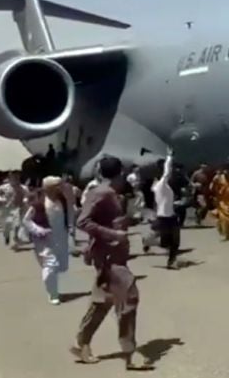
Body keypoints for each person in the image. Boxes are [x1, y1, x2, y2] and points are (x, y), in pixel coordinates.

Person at [71, 156, 151, 370]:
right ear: (121, 173)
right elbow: (83, 221)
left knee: (103, 301)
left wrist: (130, 221)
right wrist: (112, 233)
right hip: (108, 256)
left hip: (112, 254)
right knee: (129, 296)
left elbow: (106, 219)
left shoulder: (111, 194)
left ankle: (82, 343)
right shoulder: (101, 193)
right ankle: (130, 354)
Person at [22, 176, 73, 305]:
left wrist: (71, 227)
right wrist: (39, 230)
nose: (60, 188)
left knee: (61, 266)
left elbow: (70, 213)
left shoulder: (62, 200)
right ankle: (53, 294)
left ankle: (53, 289)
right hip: (45, 240)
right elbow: (26, 221)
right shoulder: (39, 204)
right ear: (49, 188)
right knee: (50, 266)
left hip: (61, 238)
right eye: (57, 186)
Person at [145, 148, 180, 269]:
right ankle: (148, 241)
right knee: (165, 243)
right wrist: (169, 157)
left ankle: (172, 261)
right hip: (163, 217)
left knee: (175, 241)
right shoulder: (161, 185)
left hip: (171, 216)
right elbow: (167, 172)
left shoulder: (163, 187)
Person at [0, 172, 28, 249]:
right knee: (7, 224)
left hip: (18, 208)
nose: (16, 179)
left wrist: (25, 200)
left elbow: (27, 195)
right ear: (10, 179)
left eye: (17, 178)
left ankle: (16, 238)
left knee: (17, 223)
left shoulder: (23, 188)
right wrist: (1, 199)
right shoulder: (4, 187)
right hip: (7, 209)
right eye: (13, 178)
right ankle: (6, 235)